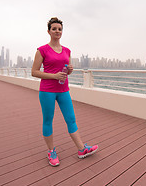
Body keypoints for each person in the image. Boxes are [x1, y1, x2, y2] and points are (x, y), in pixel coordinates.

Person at [31, 17, 98, 167]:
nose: (57, 31)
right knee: (48, 120)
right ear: (48, 31)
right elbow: (34, 72)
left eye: (59, 29)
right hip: (47, 91)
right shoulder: (41, 50)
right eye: (54, 29)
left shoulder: (67, 50)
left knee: (71, 119)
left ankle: (81, 149)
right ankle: (51, 151)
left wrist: (70, 70)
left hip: (63, 90)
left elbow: (67, 69)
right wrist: (53, 76)